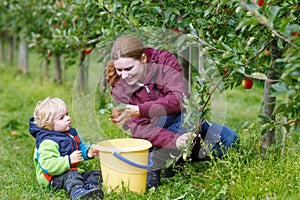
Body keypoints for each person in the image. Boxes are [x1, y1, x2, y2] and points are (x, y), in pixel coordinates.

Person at [105, 35, 239, 190]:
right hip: (153, 136)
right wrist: (173, 140)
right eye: (119, 69)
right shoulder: (119, 88)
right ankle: (157, 161)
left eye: (129, 69)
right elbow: (140, 129)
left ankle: (175, 158)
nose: (124, 75)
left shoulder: (164, 60)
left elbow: (180, 98)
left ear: (143, 59)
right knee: (191, 118)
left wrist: (140, 110)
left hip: (183, 119)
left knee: (230, 140)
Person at [29, 97, 104, 200]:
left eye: (67, 114)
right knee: (71, 176)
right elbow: (48, 165)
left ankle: (91, 188)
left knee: (97, 173)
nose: (68, 118)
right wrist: (69, 160)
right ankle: (77, 193)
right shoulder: (47, 142)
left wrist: (88, 152)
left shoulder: (71, 133)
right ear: (49, 124)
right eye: (61, 118)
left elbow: (79, 147)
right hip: (54, 178)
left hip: (74, 171)